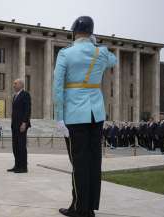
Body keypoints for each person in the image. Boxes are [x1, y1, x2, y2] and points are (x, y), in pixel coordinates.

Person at [53, 16, 116, 217]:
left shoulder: (66, 54)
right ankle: (87, 207)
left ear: (73, 32)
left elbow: (57, 88)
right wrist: (95, 44)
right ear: (91, 33)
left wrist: (59, 117)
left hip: (74, 115)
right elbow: (114, 61)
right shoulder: (102, 53)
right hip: (95, 114)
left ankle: (80, 209)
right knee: (92, 162)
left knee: (79, 163)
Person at [7, 78, 31, 173]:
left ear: (21, 85)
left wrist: (24, 123)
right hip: (15, 125)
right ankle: (17, 165)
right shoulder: (15, 96)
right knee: (15, 146)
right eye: (14, 83)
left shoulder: (25, 94)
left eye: (15, 83)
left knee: (21, 146)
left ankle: (23, 167)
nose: (14, 85)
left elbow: (27, 109)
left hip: (21, 125)